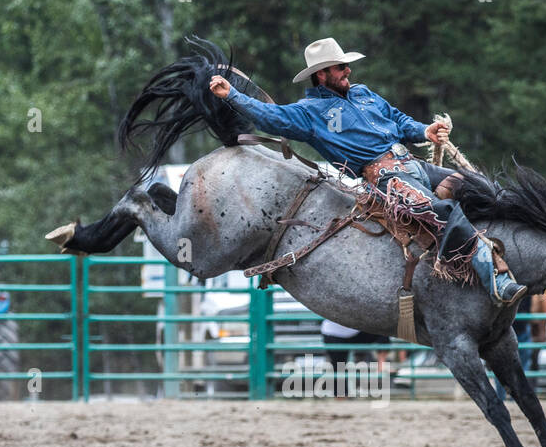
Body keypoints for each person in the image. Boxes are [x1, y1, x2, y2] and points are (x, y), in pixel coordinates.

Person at [208, 38, 526, 306]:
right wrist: (232, 96)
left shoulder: (363, 93)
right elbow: (270, 117)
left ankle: (522, 246)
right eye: (340, 66)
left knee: (479, 185)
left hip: (412, 164)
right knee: (437, 210)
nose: (348, 70)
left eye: (346, 65)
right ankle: (495, 278)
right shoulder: (309, 113)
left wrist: (424, 130)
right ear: (321, 75)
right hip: (384, 178)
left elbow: (398, 121)